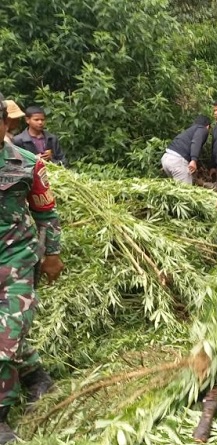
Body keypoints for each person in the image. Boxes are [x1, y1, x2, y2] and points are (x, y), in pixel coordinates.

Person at [0, 94, 64, 443]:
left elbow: (46, 213)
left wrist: (52, 254)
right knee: (8, 333)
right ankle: (38, 378)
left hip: (17, 260)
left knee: (5, 337)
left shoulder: (27, 164)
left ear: (5, 124)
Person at [161, 115, 210, 185]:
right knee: (186, 191)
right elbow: (196, 142)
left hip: (166, 158)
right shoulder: (202, 129)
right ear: (208, 126)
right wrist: (194, 160)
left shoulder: (190, 130)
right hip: (177, 161)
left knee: (176, 189)